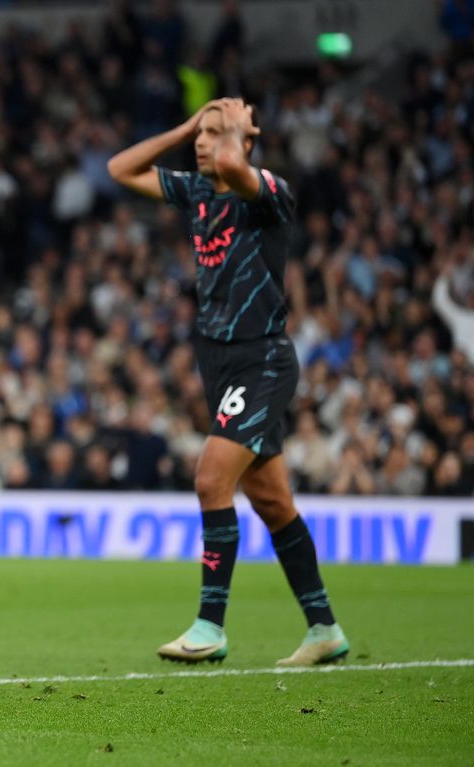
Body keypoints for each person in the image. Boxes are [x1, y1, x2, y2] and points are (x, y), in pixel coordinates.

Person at [108, 98, 349, 666]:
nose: (202, 141)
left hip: (260, 360)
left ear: (244, 139)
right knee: (272, 500)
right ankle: (323, 628)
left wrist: (235, 134)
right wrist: (191, 125)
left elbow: (239, 169)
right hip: (217, 363)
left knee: (211, 477)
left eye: (215, 132)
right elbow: (122, 169)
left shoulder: (267, 193)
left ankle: (210, 627)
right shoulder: (198, 191)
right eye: (200, 131)